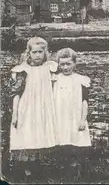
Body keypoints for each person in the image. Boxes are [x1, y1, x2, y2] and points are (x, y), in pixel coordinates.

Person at [10, 37, 59, 177]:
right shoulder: (23, 70)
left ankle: (40, 166)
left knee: (42, 133)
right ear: (28, 53)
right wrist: (15, 113)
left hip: (44, 106)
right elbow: (16, 93)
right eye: (34, 52)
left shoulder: (50, 68)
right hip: (27, 107)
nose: (38, 55)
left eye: (40, 52)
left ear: (45, 52)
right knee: (27, 133)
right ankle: (27, 168)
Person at [53, 48, 91, 167]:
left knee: (75, 137)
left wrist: (83, 119)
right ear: (58, 64)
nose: (65, 67)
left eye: (68, 64)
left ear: (74, 63)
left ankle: (75, 164)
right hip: (59, 113)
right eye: (62, 64)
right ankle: (61, 163)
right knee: (61, 137)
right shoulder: (55, 79)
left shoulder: (81, 79)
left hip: (75, 113)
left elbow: (85, 101)